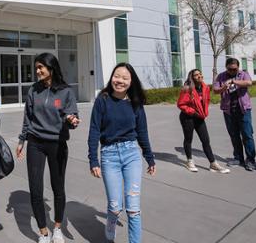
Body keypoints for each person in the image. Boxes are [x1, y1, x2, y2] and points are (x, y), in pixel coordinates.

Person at [88, 63, 156, 243]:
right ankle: (110, 225)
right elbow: (94, 130)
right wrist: (93, 160)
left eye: (125, 78)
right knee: (115, 206)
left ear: (131, 81)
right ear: (111, 77)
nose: (120, 81)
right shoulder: (102, 99)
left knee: (133, 208)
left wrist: (150, 158)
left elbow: (142, 132)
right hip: (109, 156)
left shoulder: (135, 103)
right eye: (117, 76)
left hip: (131, 154)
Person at [16, 53, 80, 243]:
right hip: (35, 142)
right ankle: (44, 232)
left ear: (51, 68)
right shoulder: (33, 91)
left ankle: (57, 228)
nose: (37, 71)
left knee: (57, 187)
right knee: (35, 189)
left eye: (41, 67)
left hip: (57, 144)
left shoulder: (66, 92)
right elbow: (27, 117)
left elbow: (72, 116)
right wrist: (21, 140)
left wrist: (72, 121)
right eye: (36, 68)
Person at [177, 69, 230, 174]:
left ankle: (213, 163)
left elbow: (206, 101)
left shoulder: (205, 88)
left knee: (205, 140)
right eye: (196, 75)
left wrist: (204, 112)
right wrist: (192, 112)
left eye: (200, 74)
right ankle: (189, 161)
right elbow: (181, 104)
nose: (199, 76)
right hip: (188, 117)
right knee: (188, 139)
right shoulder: (187, 89)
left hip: (199, 117)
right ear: (192, 78)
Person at [213, 58, 256, 171]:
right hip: (229, 111)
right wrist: (223, 87)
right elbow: (215, 90)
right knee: (234, 135)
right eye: (230, 69)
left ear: (238, 67)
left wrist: (233, 81)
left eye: (235, 69)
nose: (232, 71)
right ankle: (238, 158)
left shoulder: (243, 74)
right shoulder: (221, 76)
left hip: (243, 110)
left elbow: (249, 82)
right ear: (226, 67)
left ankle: (250, 160)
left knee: (247, 135)